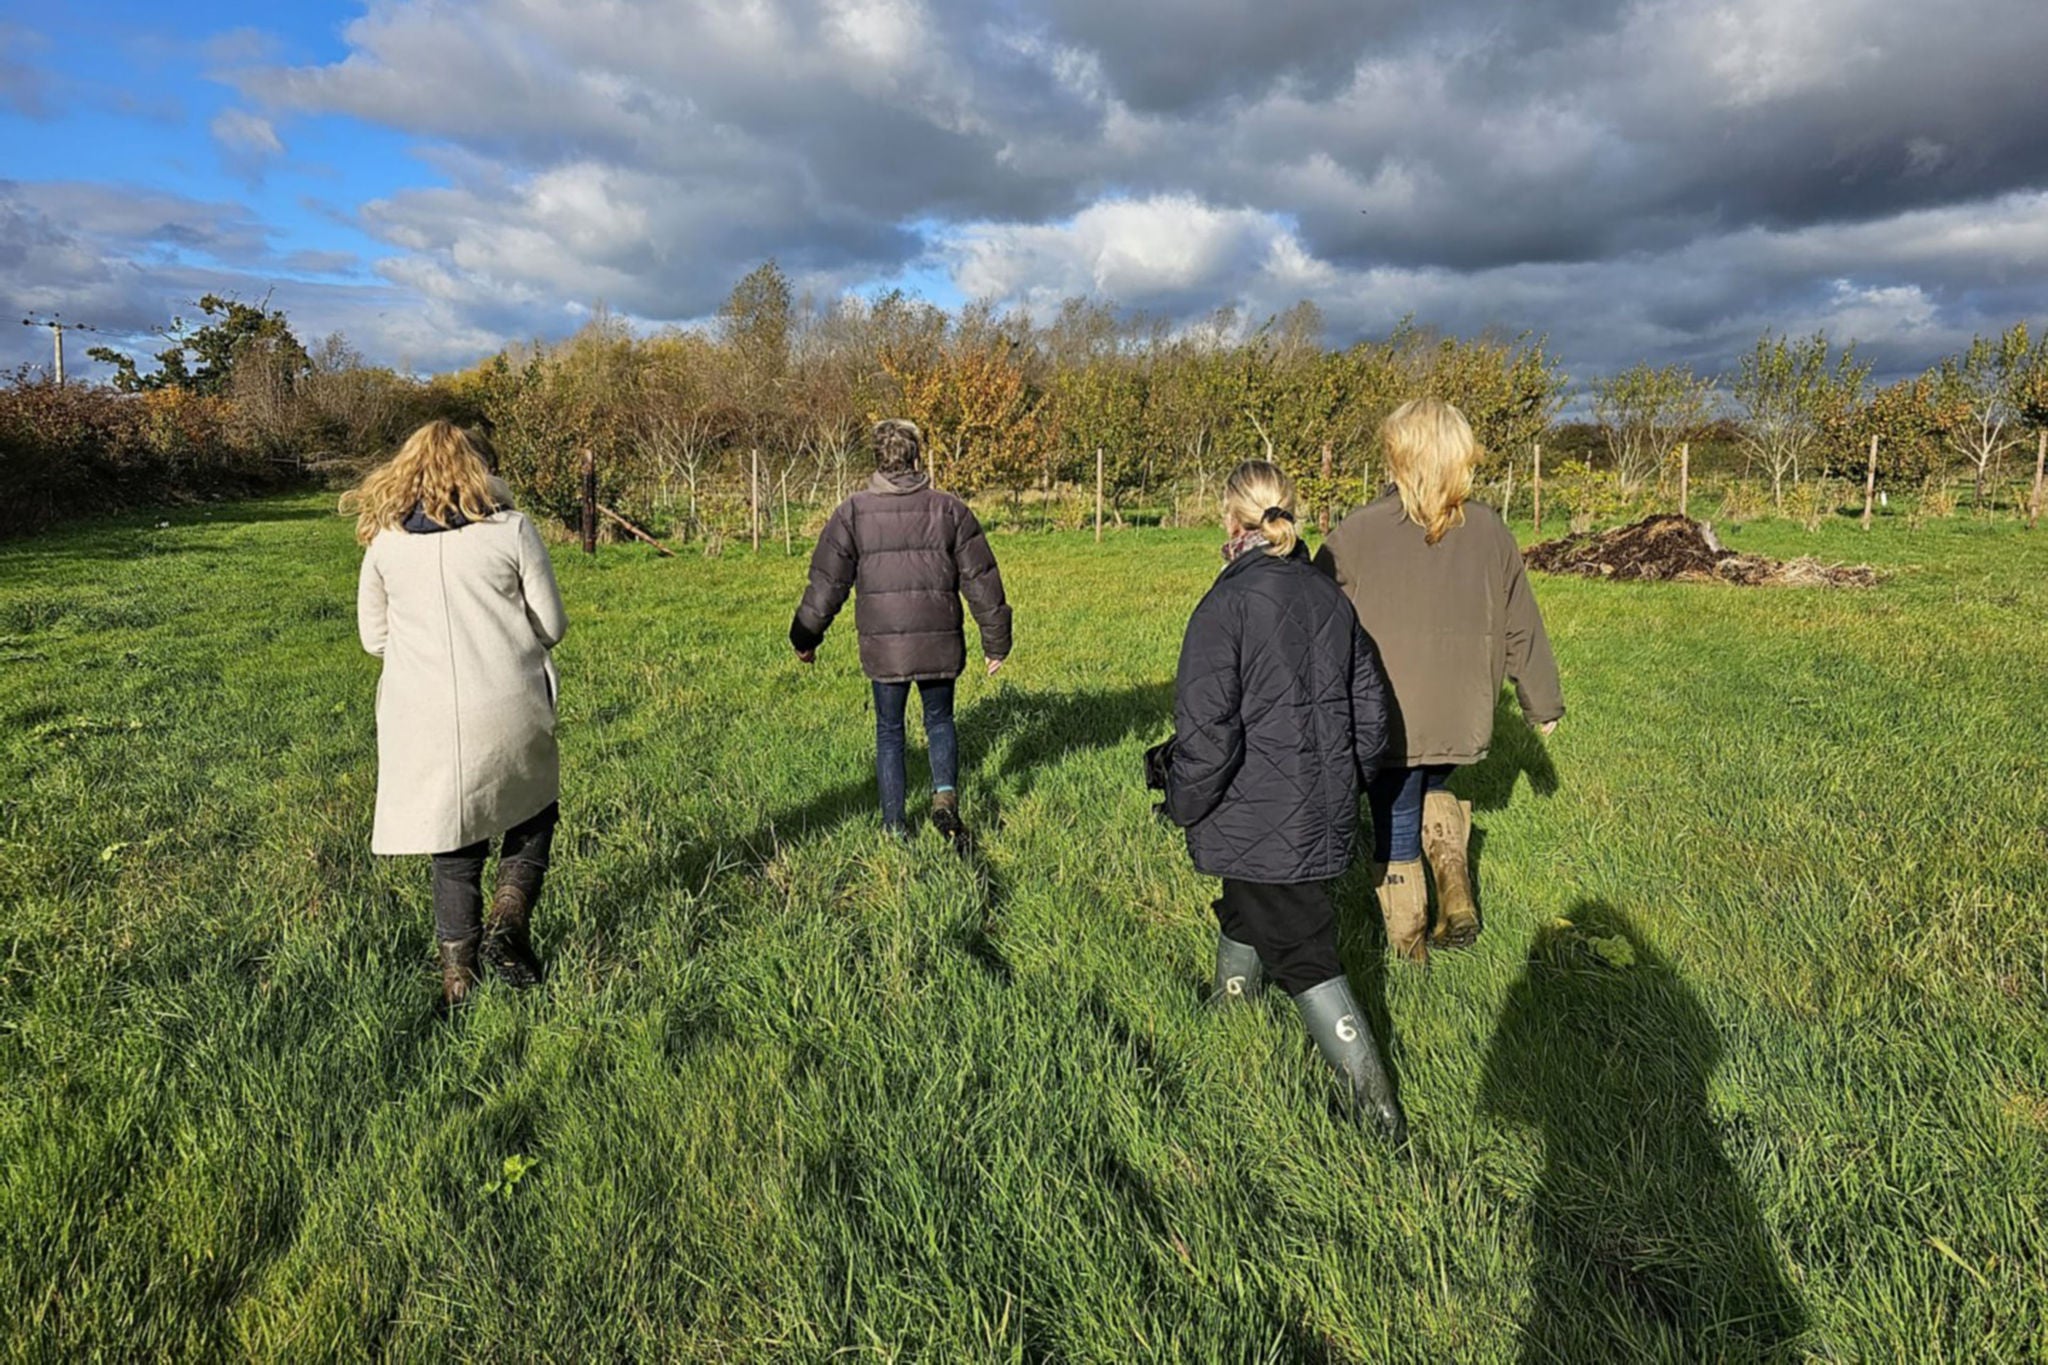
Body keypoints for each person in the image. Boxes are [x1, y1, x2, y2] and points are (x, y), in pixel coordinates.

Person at [1157, 460, 1404, 1142]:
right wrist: (1342, 782)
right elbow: (1372, 713)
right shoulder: (1329, 598)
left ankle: (1376, 1106)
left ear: (1231, 522)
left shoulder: (1224, 606)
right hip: (1311, 802)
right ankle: (1230, 1013)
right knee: (1246, 901)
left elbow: (1206, 733)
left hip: (1260, 807)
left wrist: (1181, 799)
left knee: (1303, 949)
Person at [1315, 398, 1563, 965]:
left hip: (1388, 716)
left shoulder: (1355, 533)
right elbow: (1522, 622)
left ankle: (1408, 947)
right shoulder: (1492, 531)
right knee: (1432, 780)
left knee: (1396, 811)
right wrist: (1541, 703)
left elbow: (1317, 617)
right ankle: (1456, 889)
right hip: (1463, 708)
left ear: (1396, 456)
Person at [346, 420, 568, 1011]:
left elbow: (374, 638)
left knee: (455, 844)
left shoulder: (387, 542)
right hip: (509, 702)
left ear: (406, 471)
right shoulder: (511, 530)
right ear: (481, 470)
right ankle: (508, 919)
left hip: (422, 715)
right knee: (535, 810)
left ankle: (458, 983)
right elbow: (551, 626)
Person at [789, 419, 1011, 848]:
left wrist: (805, 637)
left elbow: (826, 585)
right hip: (939, 639)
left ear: (878, 458)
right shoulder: (950, 509)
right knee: (940, 720)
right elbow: (981, 578)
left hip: (884, 648)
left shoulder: (852, 512)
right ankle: (944, 795)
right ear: (916, 457)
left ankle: (894, 829)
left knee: (890, 731)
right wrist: (995, 641)